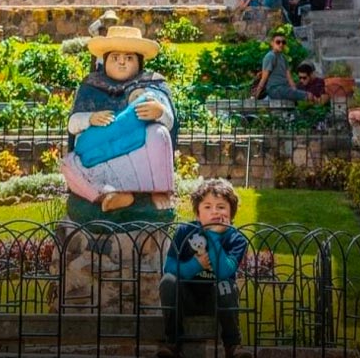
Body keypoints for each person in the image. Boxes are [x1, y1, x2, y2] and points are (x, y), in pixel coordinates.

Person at [60, 24, 176, 213]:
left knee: (158, 132)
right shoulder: (91, 86)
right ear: (105, 61)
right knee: (69, 164)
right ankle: (108, 195)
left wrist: (159, 111)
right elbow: (73, 125)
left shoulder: (152, 84)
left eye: (129, 58)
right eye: (115, 58)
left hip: (137, 155)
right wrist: (90, 118)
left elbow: (169, 122)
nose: (122, 63)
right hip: (100, 157)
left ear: (139, 62)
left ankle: (158, 190)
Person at [157, 178, 248, 358]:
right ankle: (173, 343)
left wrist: (213, 235)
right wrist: (196, 265)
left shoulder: (237, 239)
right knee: (168, 281)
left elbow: (224, 272)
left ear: (231, 214)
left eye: (221, 207)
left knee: (226, 285)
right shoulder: (185, 231)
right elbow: (169, 266)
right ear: (198, 215)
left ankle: (233, 346)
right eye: (207, 207)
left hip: (217, 301)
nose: (214, 211)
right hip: (186, 298)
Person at [252, 32, 308, 102]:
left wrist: (294, 92)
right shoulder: (270, 56)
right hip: (275, 89)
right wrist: (256, 95)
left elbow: (289, 78)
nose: (281, 44)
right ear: (272, 43)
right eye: (278, 42)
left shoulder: (283, 58)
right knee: (307, 95)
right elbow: (264, 78)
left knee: (305, 94)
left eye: (283, 42)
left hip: (284, 89)